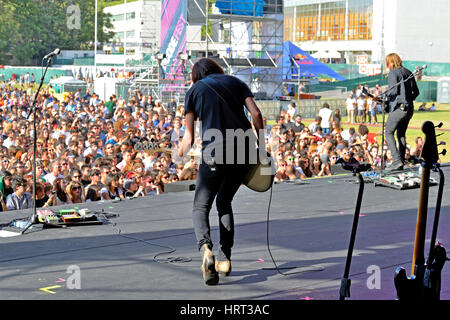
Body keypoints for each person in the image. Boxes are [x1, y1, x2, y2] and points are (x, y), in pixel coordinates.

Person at [177, 58, 265, 286]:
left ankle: (206, 249)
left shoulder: (194, 90)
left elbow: (189, 137)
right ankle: (225, 258)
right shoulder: (236, 82)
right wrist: (262, 147)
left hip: (215, 151)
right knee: (224, 201)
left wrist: (180, 154)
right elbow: (256, 114)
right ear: (216, 69)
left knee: (201, 205)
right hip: (244, 151)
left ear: (196, 75)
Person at [383, 53, 420, 171]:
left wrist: (384, 95)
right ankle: (402, 160)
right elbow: (416, 92)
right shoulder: (408, 72)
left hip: (399, 109)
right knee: (401, 134)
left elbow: (393, 91)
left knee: (388, 132)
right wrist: (408, 100)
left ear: (389, 62)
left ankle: (396, 161)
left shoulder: (393, 72)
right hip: (409, 109)